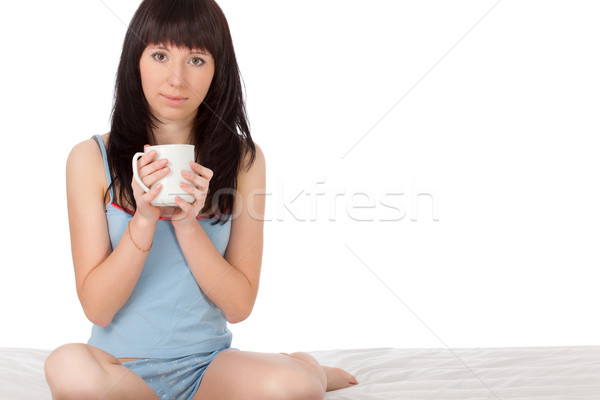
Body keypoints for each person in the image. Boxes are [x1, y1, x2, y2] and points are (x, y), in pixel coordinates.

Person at [44, 0, 358, 399]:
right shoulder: (89, 159)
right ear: (134, 62)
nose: (176, 79)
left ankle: (306, 365)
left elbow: (239, 306)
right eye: (159, 55)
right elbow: (98, 309)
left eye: (196, 59)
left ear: (217, 69)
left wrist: (186, 222)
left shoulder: (246, 160)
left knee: (294, 385)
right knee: (66, 366)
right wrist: (143, 218)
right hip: (119, 370)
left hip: (208, 369)